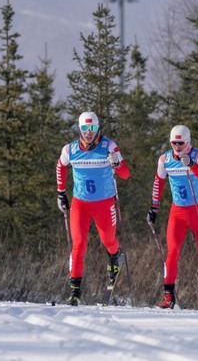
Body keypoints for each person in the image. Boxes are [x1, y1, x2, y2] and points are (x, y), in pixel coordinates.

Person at [56, 111, 130, 306]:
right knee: (79, 245)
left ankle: (115, 256)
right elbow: (60, 166)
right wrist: (61, 192)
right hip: (80, 204)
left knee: (108, 240)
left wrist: (116, 162)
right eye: (85, 129)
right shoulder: (70, 149)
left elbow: (125, 174)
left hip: (104, 203)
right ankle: (75, 291)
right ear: (79, 129)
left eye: (93, 128)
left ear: (98, 129)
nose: (89, 133)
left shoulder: (109, 146)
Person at [146, 124, 198, 309]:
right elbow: (158, 182)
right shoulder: (165, 159)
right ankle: (168, 296)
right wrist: (154, 207)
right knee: (172, 253)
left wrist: (192, 165)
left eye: (180, 143)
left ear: (188, 142)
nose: (177, 146)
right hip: (178, 211)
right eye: (174, 142)